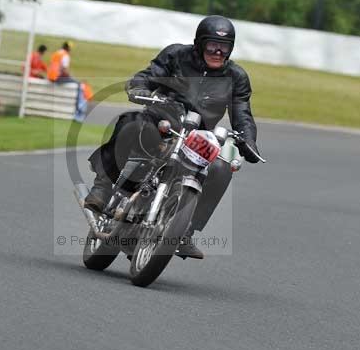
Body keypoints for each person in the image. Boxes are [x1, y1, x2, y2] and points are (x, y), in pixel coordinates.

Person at [83, 15, 261, 259]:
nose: (218, 52)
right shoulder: (176, 55)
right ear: (199, 43)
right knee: (130, 124)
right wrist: (140, 88)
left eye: (224, 47)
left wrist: (248, 141)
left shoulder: (237, 77)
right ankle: (102, 187)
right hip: (161, 121)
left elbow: (243, 114)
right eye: (212, 46)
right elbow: (147, 75)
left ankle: (186, 231)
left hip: (198, 135)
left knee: (221, 168)